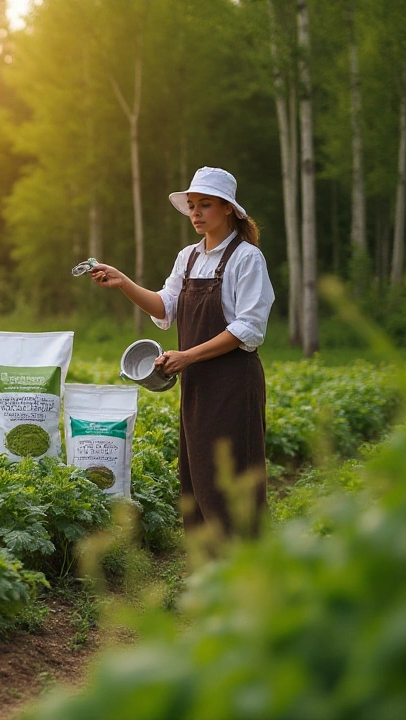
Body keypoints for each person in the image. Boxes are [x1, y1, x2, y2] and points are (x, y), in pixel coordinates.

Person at [89, 166, 275, 539]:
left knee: (232, 478)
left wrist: (188, 356)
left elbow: (247, 329)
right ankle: (210, 570)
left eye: (204, 205)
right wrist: (123, 282)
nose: (195, 213)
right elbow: (164, 308)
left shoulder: (246, 258)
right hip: (197, 387)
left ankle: (250, 574)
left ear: (228, 209)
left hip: (233, 384)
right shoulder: (188, 257)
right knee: (198, 477)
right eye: (191, 206)